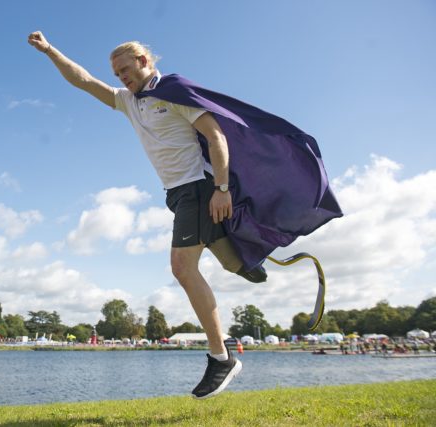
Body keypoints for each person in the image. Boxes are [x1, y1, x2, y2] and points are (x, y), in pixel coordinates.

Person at [27, 31, 340, 399]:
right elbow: (83, 81)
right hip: (176, 195)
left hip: (199, 188)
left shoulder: (173, 92)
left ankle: (220, 356)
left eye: (125, 69)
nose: (121, 77)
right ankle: (244, 262)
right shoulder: (129, 102)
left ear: (144, 61)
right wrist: (49, 50)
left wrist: (221, 189)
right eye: (117, 73)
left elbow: (217, 137)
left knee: (182, 267)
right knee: (226, 262)